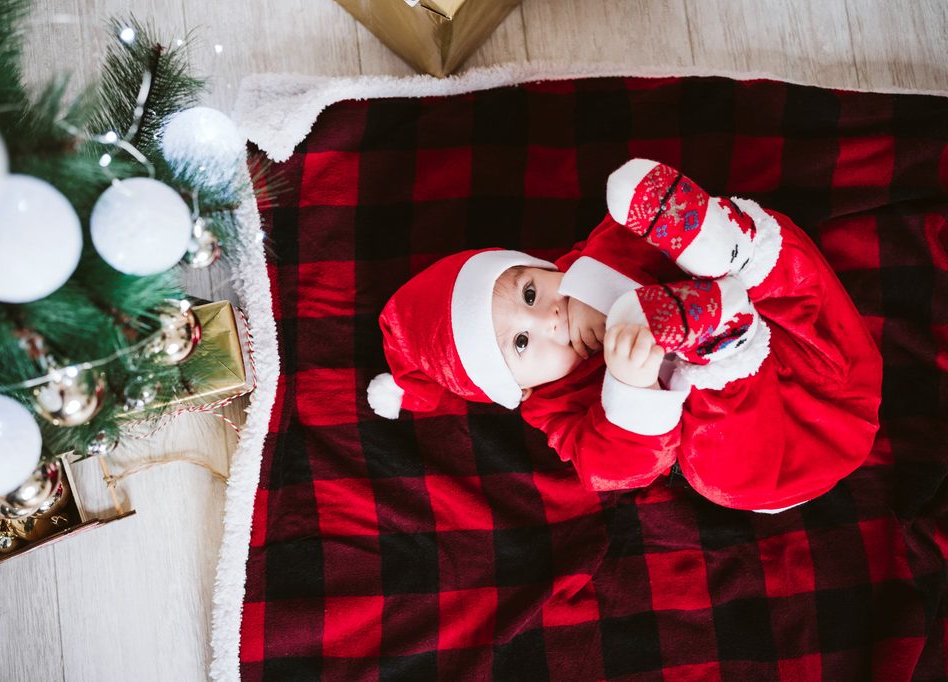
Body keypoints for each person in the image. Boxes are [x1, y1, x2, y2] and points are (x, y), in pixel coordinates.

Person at [368, 159, 883, 512]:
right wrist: (632, 387)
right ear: (517, 389)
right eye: (521, 344)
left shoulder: (582, 268)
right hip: (778, 439)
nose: (547, 317)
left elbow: (617, 234)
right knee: (715, 475)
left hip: (815, 348)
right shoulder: (552, 409)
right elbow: (614, 467)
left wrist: (599, 285)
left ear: (537, 266)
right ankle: (722, 342)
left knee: (780, 274)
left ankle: (730, 243)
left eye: (529, 293)